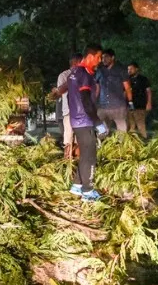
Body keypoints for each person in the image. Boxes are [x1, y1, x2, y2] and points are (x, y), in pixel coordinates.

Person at [55, 44, 107, 202]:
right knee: (90, 156)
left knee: (84, 154)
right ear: (91, 56)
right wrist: (98, 122)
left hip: (76, 120)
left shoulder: (74, 72)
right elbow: (85, 99)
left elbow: (69, 94)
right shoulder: (84, 73)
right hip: (85, 120)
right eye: (98, 57)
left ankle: (77, 185)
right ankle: (88, 191)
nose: (99, 61)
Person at [52, 53, 83, 159]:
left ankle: (78, 162)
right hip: (69, 111)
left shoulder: (84, 74)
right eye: (82, 62)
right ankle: (67, 163)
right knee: (68, 140)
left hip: (82, 113)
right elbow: (60, 91)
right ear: (76, 62)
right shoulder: (63, 75)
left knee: (79, 140)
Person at [95, 49, 132, 132]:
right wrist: (93, 101)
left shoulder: (121, 70)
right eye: (102, 57)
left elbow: (127, 87)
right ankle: (102, 144)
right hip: (102, 106)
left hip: (118, 106)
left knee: (122, 130)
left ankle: (121, 145)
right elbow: (97, 87)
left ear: (113, 58)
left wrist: (130, 101)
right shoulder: (100, 71)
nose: (104, 59)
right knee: (101, 130)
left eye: (106, 57)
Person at [127, 62, 152, 138]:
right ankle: (131, 146)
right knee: (131, 126)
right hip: (129, 106)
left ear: (136, 69)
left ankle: (144, 141)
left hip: (140, 106)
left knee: (141, 125)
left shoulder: (143, 79)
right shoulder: (127, 80)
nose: (129, 71)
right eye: (128, 69)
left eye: (131, 69)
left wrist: (149, 103)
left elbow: (148, 91)